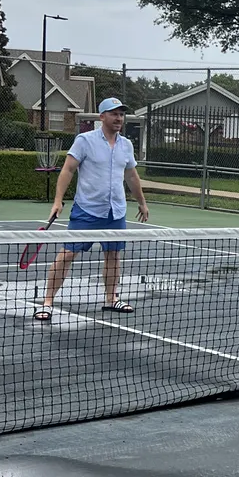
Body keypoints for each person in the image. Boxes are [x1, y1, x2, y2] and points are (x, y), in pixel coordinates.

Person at [34, 98, 150, 322]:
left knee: (114, 255)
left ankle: (110, 298)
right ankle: (47, 302)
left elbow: (131, 176)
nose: (118, 118)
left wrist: (142, 202)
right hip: (86, 210)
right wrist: (57, 201)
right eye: (113, 113)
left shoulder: (126, 145)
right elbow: (68, 169)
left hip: (115, 212)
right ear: (102, 117)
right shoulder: (84, 140)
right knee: (67, 255)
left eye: (121, 114)